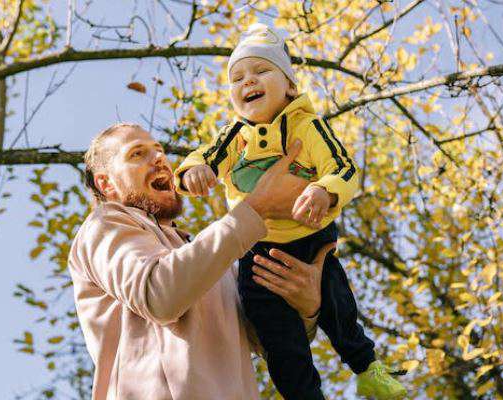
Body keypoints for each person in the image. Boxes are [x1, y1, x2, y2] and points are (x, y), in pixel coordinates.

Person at [174, 23, 406, 400]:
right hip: (257, 250)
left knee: (338, 307)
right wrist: (192, 172)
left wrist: (323, 190)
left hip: (313, 242)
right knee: (279, 340)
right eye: (237, 77)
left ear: (291, 86)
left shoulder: (307, 125)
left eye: (261, 70)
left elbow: (343, 168)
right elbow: (206, 158)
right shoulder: (235, 135)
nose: (248, 81)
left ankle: (367, 367)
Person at [68, 122, 334, 399]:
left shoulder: (209, 260)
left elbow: (265, 339)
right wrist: (255, 207)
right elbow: (159, 295)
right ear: (106, 183)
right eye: (137, 153)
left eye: (159, 151)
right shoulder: (104, 225)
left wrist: (306, 308)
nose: (160, 159)